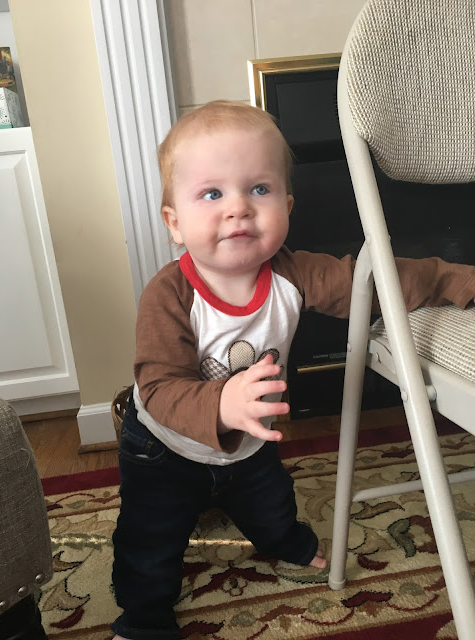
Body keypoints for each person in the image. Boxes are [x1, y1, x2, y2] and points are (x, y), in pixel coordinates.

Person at [111, 100, 475, 640]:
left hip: (253, 442)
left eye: (258, 189)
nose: (238, 208)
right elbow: (160, 386)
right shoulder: (169, 294)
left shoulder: (295, 274)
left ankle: (285, 542)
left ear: (286, 205)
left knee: (272, 504)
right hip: (166, 448)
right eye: (212, 194)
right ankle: (142, 620)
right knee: (149, 541)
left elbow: (376, 279)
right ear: (175, 223)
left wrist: (456, 281)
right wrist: (222, 404)